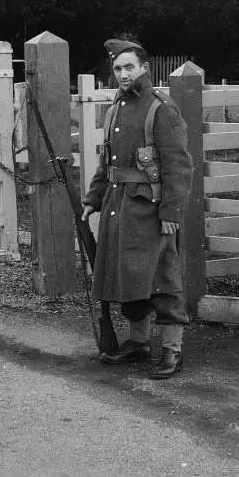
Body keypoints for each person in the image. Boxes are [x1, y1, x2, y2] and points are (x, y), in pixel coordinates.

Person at [81, 36, 193, 378]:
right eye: (117, 68)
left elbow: (179, 166)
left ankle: (172, 350)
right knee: (127, 275)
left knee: (162, 278)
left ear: (144, 68)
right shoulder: (115, 108)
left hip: (151, 209)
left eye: (129, 67)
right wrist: (92, 199)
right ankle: (139, 342)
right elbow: (107, 163)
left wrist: (171, 213)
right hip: (118, 205)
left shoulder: (161, 108)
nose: (123, 74)